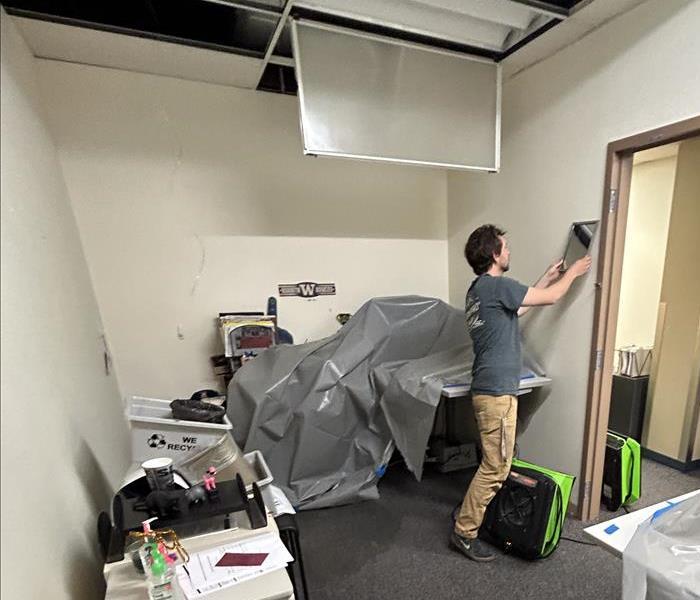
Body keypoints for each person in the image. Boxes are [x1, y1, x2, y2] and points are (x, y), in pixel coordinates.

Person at [451, 224, 592, 562]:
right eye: (505, 247)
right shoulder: (497, 287)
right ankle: (464, 530)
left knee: (497, 461)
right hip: (496, 393)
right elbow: (553, 298)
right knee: (495, 467)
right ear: (495, 254)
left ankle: (474, 518)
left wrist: (546, 276)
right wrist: (573, 271)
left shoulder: (480, 291)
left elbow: (522, 305)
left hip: (490, 390)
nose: (510, 251)